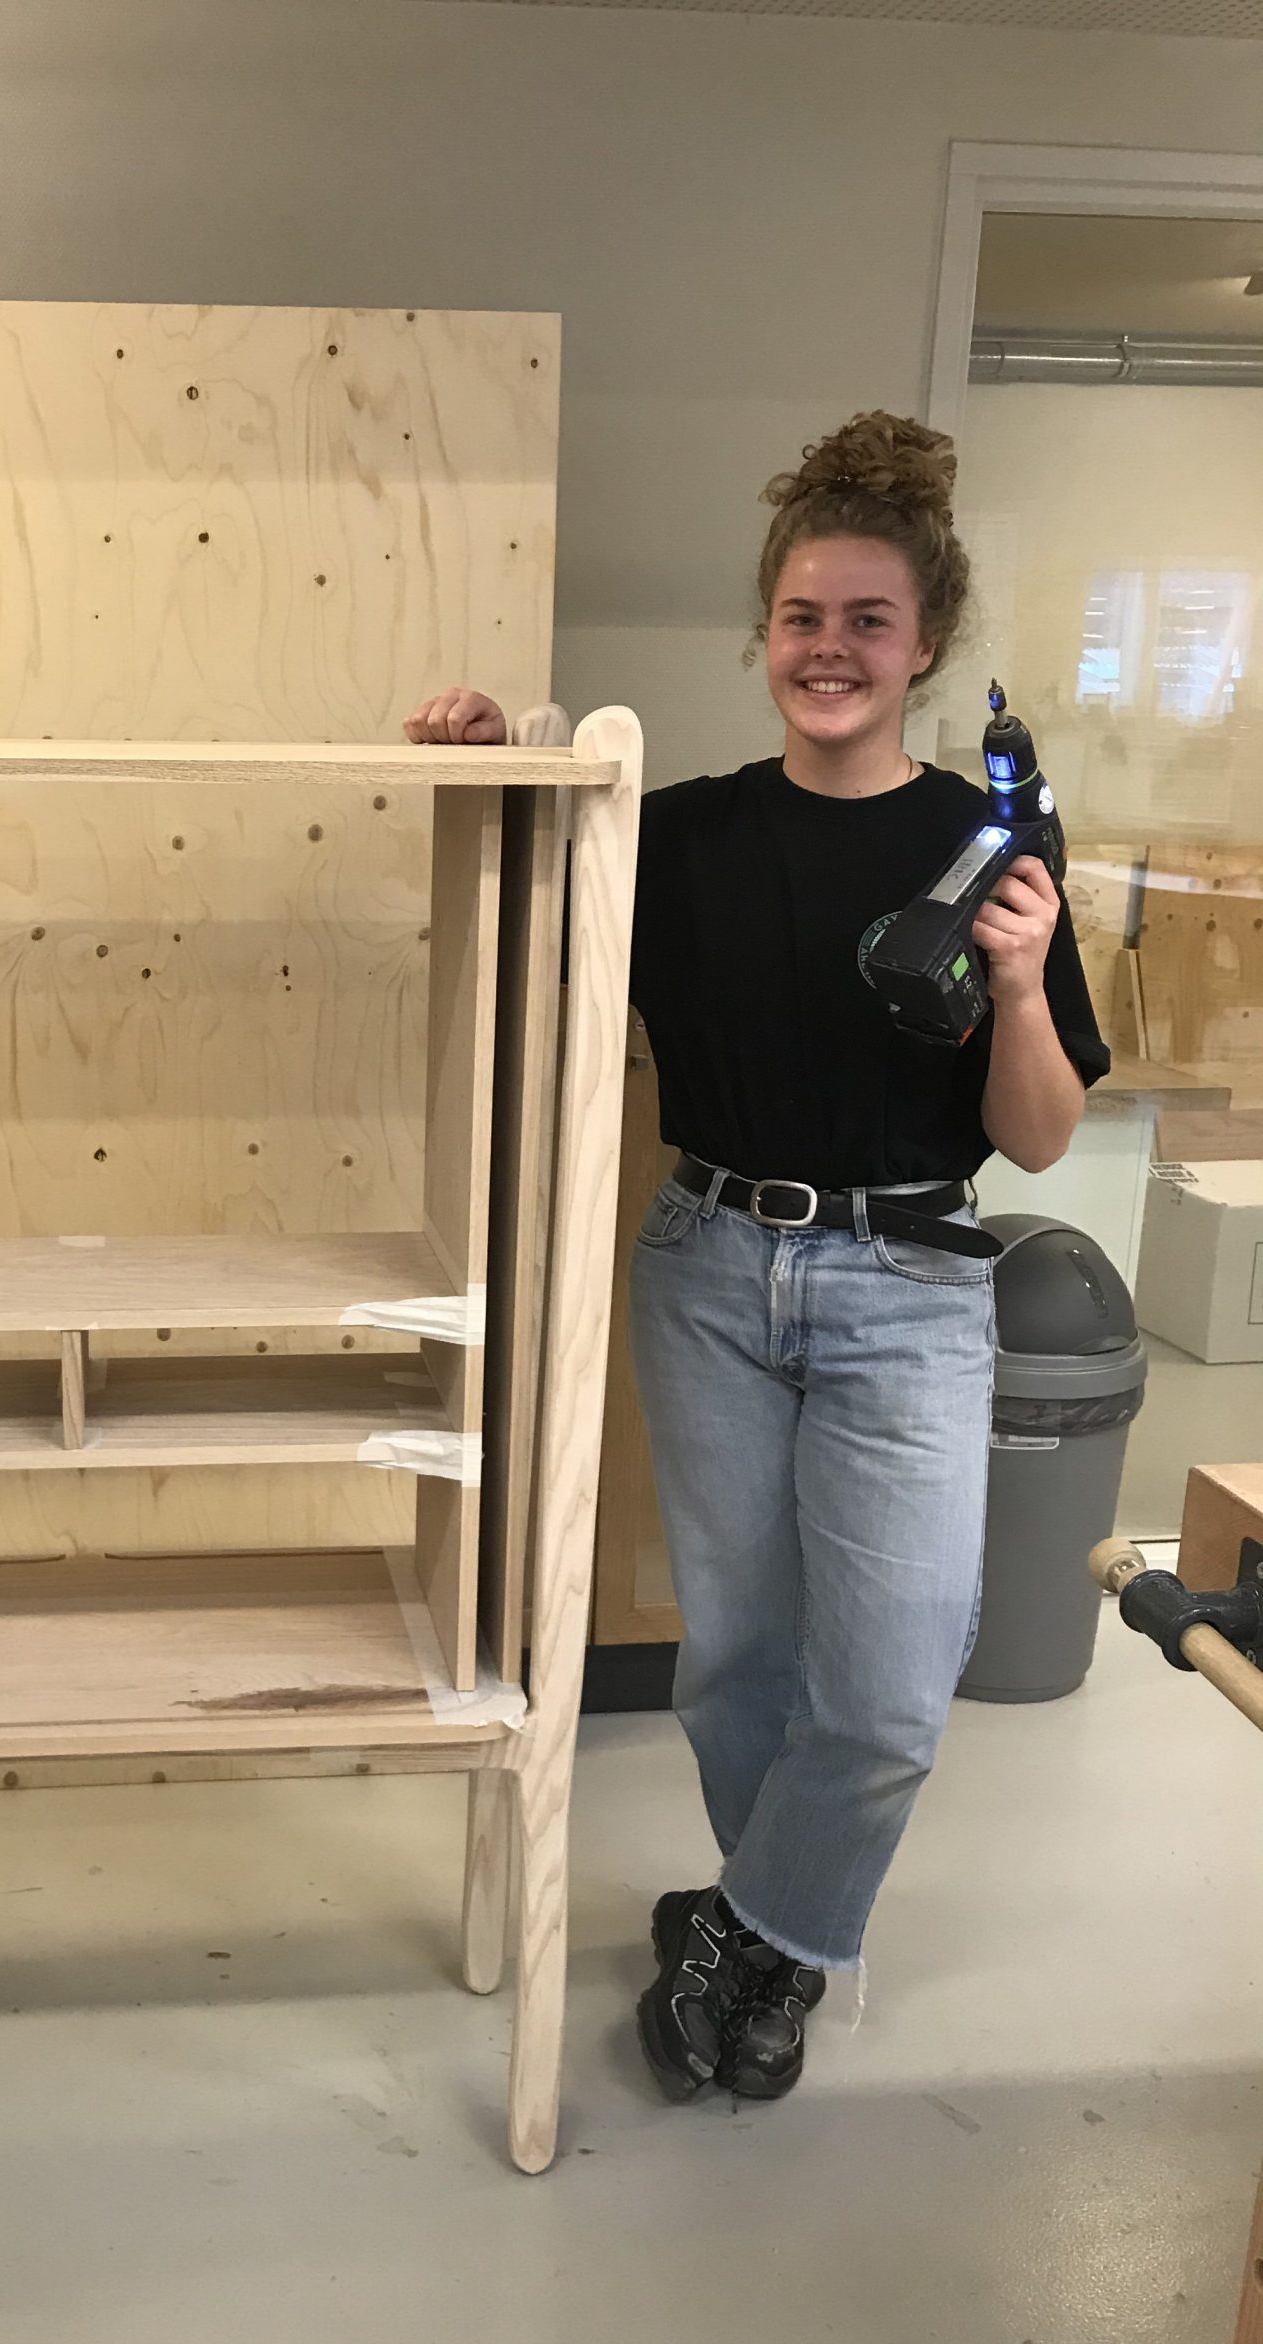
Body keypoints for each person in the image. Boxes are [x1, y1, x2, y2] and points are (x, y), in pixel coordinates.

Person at [405, 410, 1108, 2104]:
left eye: (869, 620)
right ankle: (774, 1949)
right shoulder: (685, 838)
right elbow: (529, 899)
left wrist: (1021, 985)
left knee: (891, 1685)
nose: (830, 648)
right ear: (764, 633)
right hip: (708, 1264)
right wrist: (497, 752)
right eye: (803, 617)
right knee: (735, 1660)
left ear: (924, 642)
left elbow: (1037, 1136)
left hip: (913, 1284)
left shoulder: (992, 853)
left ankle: (747, 1929)